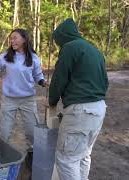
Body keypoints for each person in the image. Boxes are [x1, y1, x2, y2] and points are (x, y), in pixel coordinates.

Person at [49, 18, 108, 180]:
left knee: (66, 159)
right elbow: (105, 82)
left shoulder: (70, 47)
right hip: (99, 108)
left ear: (62, 36)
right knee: (83, 155)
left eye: (58, 41)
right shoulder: (95, 51)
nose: (59, 45)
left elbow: (59, 79)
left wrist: (52, 102)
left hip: (80, 111)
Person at [0, 28, 46, 147]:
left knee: (31, 130)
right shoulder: (5, 57)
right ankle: (3, 153)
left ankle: (32, 153)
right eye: (11, 39)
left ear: (24, 39)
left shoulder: (33, 58)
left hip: (28, 100)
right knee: (5, 130)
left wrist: (43, 82)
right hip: (9, 99)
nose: (12, 41)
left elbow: (38, 75)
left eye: (15, 38)